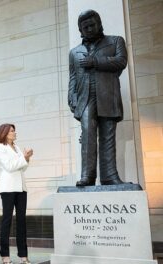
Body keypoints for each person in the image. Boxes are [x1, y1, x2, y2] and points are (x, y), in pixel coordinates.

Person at [68, 9, 127, 186]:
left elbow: (121, 61)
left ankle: (109, 176)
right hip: (85, 98)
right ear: (80, 30)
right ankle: (87, 176)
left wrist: (96, 62)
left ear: (99, 24)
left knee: (107, 136)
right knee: (87, 135)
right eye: (85, 27)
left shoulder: (115, 41)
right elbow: (72, 76)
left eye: (92, 25)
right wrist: (71, 95)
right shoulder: (74, 52)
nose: (89, 29)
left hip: (107, 94)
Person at [0, 124, 33, 264]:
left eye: (14, 130)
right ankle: (5, 255)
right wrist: (24, 157)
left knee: (21, 221)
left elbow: (22, 168)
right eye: (11, 130)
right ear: (4, 133)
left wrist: (27, 158)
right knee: (7, 220)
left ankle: (23, 255)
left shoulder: (16, 147)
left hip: (21, 187)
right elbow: (9, 166)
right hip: (8, 188)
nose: (14, 132)